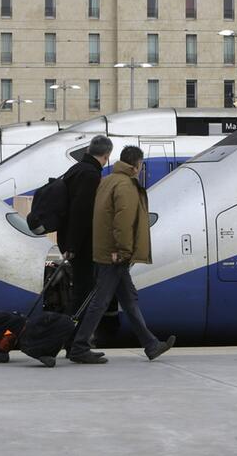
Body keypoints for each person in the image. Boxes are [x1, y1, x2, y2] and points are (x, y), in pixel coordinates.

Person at [69, 146, 175, 364]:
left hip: (105, 250)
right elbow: (122, 222)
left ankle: (151, 344)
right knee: (101, 301)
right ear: (136, 165)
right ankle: (79, 346)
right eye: (141, 164)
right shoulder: (125, 185)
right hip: (115, 254)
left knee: (129, 299)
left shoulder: (107, 180)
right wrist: (123, 251)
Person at [56, 135, 113, 315]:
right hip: (81, 245)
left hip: (72, 240)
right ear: (106, 155)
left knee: (83, 288)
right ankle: (72, 334)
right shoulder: (90, 174)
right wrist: (73, 246)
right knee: (83, 289)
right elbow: (81, 213)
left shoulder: (76, 169)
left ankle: (76, 334)